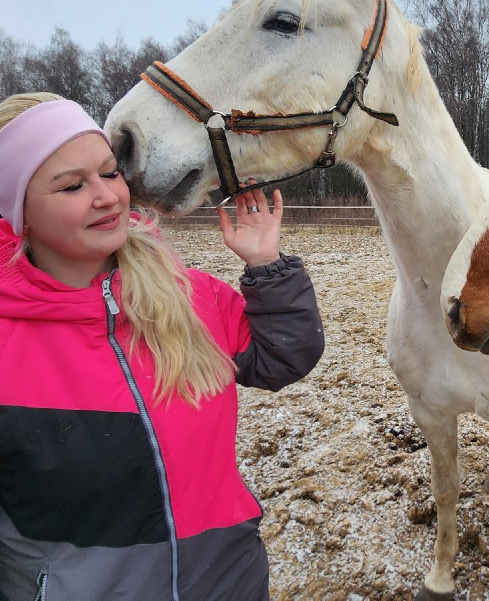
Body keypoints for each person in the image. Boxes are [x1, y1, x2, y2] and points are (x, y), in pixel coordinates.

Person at [0, 93, 325, 601]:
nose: (107, 197)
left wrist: (267, 266)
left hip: (228, 583)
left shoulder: (188, 294)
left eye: (110, 174)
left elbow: (283, 357)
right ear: (19, 212)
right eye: (72, 185)